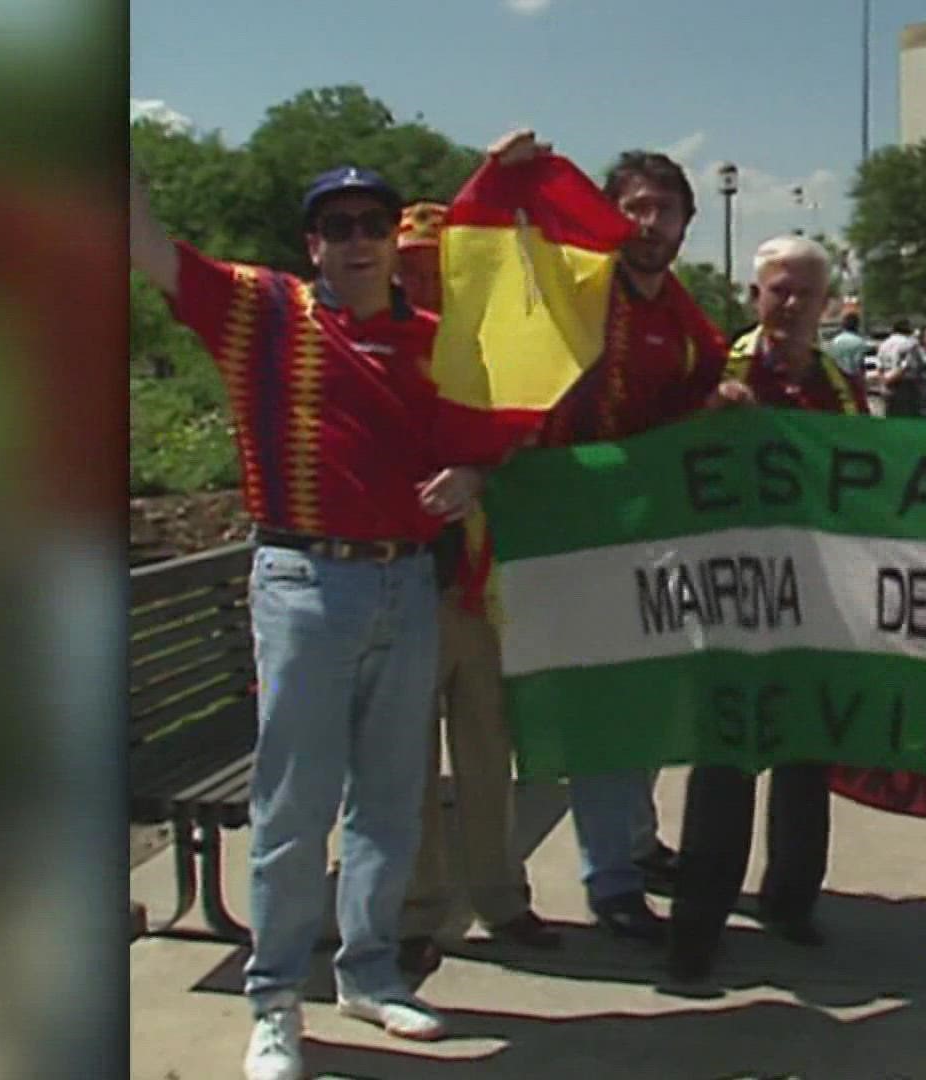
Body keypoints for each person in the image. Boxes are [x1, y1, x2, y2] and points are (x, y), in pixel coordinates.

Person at [132, 164, 485, 1078]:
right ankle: (277, 999)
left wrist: (474, 478)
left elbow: (479, 443)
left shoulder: (437, 341)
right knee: (294, 807)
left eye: (373, 221)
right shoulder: (262, 311)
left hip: (406, 585)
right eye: (339, 224)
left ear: (392, 242)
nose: (359, 238)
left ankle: (369, 973)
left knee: (392, 797)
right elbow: (148, 250)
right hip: (302, 581)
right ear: (314, 243)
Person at [481, 132, 728, 943]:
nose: (651, 223)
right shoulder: (571, 288)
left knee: (644, 706)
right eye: (635, 208)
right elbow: (479, 259)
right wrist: (498, 176)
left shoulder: (689, 323)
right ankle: (609, 882)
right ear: (610, 217)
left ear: (688, 222)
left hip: (648, 545)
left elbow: (688, 412)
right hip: (562, 538)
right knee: (594, 712)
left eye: (665, 209)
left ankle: (633, 844)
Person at [666, 235, 868, 982]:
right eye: (778, 289)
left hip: (814, 599)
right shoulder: (715, 371)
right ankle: (700, 921)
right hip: (726, 598)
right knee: (724, 764)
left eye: (805, 292)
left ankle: (791, 901)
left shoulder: (842, 390)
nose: (790, 304)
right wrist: (708, 415)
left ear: (827, 303)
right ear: (755, 296)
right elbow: (665, 457)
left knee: (804, 757)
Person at [392, 200, 563, 977]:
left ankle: (501, 898)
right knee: (409, 765)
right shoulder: (380, 348)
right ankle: (419, 911)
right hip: (401, 584)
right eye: (410, 261)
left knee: (490, 752)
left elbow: (525, 447)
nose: (419, 273)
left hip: (481, 582)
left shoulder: (489, 354)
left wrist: (486, 467)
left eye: (433, 262)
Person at [878, 318, 926, 417]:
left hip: (888, 385)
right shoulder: (910, 343)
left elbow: (880, 367)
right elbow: (908, 365)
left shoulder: (884, 344)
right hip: (905, 385)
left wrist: (884, 383)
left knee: (891, 418)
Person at [825, 311, 870, 380]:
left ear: (843, 325)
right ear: (857, 325)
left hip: (837, 379)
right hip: (853, 379)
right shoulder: (859, 342)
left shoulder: (835, 341)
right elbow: (858, 364)